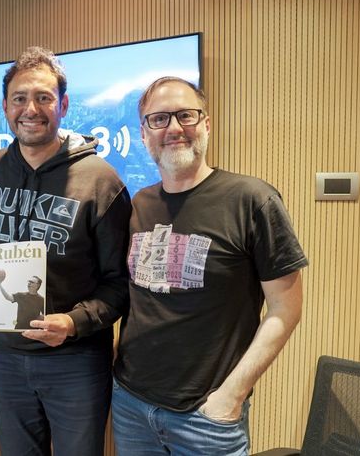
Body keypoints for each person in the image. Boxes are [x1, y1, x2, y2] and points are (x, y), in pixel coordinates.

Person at [112, 76, 308, 455]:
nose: (174, 128)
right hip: (131, 405)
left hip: (206, 418)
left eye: (185, 115)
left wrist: (231, 395)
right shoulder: (139, 204)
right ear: (144, 134)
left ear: (206, 123)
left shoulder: (252, 200)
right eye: (159, 119)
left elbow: (286, 309)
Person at [0, 46, 131, 456]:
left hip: (74, 361)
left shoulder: (101, 181)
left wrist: (73, 321)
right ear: (5, 107)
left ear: (62, 105)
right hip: (6, 357)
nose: (31, 109)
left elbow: (120, 283)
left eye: (43, 97)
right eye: (20, 98)